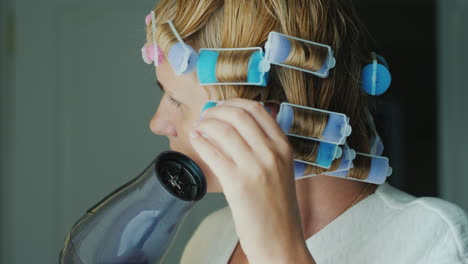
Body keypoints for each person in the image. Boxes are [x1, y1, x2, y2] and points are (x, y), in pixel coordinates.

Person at [143, 0, 468, 263]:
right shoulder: (211, 236)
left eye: (175, 99)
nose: (157, 123)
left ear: (264, 115)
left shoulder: (429, 236)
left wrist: (277, 250)